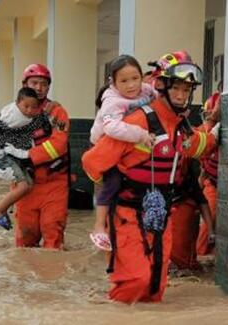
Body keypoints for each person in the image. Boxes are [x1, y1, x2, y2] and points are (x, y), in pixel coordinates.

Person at [81, 51, 219, 303]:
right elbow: (92, 162)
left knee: (156, 285)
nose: (181, 95)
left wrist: (215, 127)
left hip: (161, 214)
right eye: (176, 88)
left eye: (187, 90)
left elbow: (199, 145)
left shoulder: (180, 125)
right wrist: (112, 187)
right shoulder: (137, 121)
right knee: (136, 281)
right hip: (127, 213)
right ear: (161, 86)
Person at [89, 54, 157, 251]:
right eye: (124, 81)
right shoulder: (111, 100)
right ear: (114, 83)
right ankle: (99, 226)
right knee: (113, 183)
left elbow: (159, 99)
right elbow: (111, 129)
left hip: (128, 146)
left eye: (135, 78)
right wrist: (141, 134)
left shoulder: (145, 90)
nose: (131, 85)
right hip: (105, 146)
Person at [1, 63, 70, 249]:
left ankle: (51, 275)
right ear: (25, 84)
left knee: (53, 235)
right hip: (26, 186)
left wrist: (27, 155)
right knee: (24, 239)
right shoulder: (12, 113)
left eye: (43, 84)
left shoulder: (57, 112)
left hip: (54, 184)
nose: (39, 88)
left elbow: (59, 144)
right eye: (34, 83)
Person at [0, 87, 52, 230]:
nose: (29, 110)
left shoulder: (27, 115)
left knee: (28, 186)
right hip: (5, 156)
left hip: (15, 155)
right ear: (17, 103)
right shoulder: (12, 115)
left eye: (33, 107)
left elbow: (39, 119)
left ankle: (4, 210)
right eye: (26, 106)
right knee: (22, 186)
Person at [196, 81, 222, 255]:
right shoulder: (206, 130)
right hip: (211, 182)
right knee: (208, 222)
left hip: (224, 183)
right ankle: (200, 255)